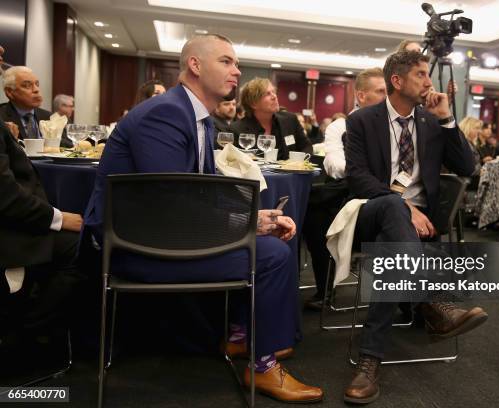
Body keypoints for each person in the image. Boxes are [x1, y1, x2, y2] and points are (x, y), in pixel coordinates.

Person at [83, 34, 323, 403]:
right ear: (195, 65)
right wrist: (247, 224)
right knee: (273, 256)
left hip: (161, 235)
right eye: (226, 61)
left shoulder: (198, 118)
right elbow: (170, 203)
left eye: (236, 63)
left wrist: (254, 217)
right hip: (137, 247)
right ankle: (261, 366)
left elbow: (196, 196)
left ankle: (243, 337)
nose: (237, 71)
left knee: (268, 242)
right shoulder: (166, 112)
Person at [343, 50, 487, 404]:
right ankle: (431, 302)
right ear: (397, 81)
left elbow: (468, 167)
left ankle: (369, 360)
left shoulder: (430, 122)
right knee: (393, 207)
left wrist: (448, 119)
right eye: (422, 75)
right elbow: (357, 177)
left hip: (416, 228)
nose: (430, 82)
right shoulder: (363, 120)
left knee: (392, 258)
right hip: (374, 209)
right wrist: (404, 206)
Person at [0, 110, 84, 352]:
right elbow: (7, 198)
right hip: (8, 232)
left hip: (12, 219)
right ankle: (27, 334)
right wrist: (57, 218)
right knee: (82, 247)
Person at [303, 67, 386, 310]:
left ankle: (407, 300)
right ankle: (325, 289)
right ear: (361, 96)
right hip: (352, 192)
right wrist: (362, 171)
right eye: (381, 91)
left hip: (386, 197)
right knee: (314, 212)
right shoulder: (341, 127)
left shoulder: (395, 125)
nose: (387, 96)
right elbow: (333, 164)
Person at [231, 78, 312, 160]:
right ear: (253, 103)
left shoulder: (290, 120)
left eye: (273, 92)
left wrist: (300, 164)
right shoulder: (237, 129)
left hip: (290, 171)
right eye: (267, 94)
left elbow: (306, 147)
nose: (274, 96)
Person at [0, 66, 72, 147]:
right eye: (27, 85)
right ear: (9, 92)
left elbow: (68, 146)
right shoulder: (2, 118)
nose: (36, 90)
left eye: (37, 84)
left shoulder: (50, 117)